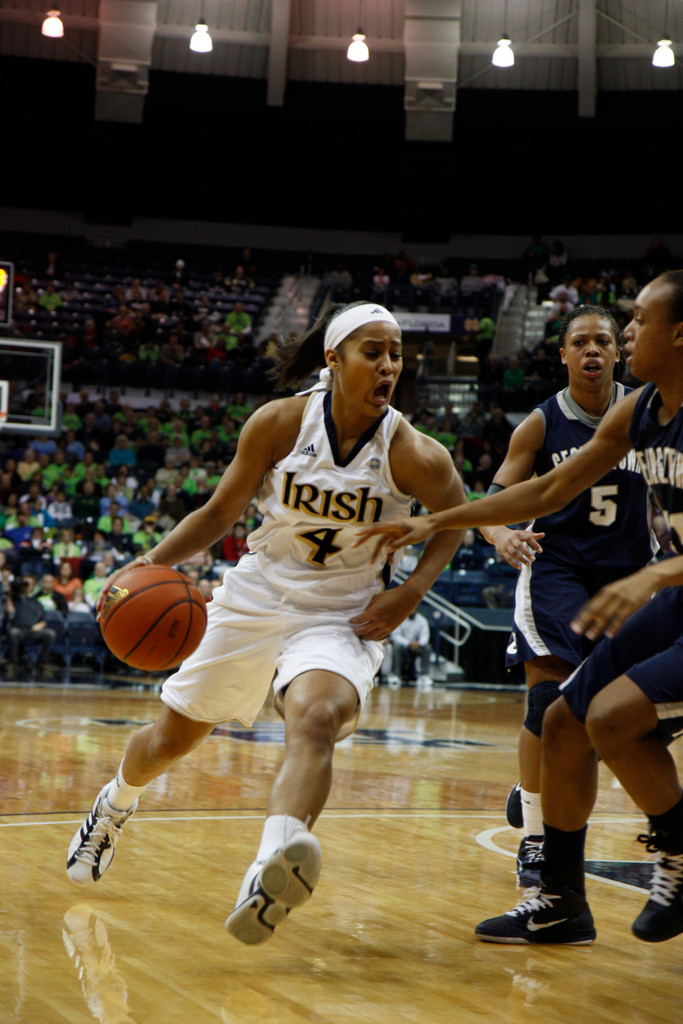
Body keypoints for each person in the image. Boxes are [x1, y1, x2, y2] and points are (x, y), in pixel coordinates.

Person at [65, 301, 467, 948]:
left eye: (395, 353)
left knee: (315, 718)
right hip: (258, 594)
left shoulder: (415, 453)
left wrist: (413, 590)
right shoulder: (280, 423)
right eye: (373, 352)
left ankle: (267, 874)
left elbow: (456, 518)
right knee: (170, 742)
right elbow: (220, 510)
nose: (389, 365)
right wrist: (141, 567)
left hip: (340, 612)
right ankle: (113, 805)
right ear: (333, 360)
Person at [355, 271, 683, 945]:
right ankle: (560, 902)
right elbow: (549, 488)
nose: (623, 334)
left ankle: (678, 848)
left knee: (612, 716)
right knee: (562, 722)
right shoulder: (639, 411)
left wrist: (651, 578)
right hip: (664, 593)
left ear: (677, 333)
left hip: (659, 586)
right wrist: (434, 521)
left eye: (637, 320)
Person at [468, 307, 656, 885]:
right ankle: (535, 836)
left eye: (603, 340)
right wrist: (500, 535)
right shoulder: (542, 423)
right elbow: (497, 498)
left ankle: (536, 790)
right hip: (557, 569)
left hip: (630, 577)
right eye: (581, 342)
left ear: (618, 351)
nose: (593, 350)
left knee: (608, 716)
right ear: (564, 355)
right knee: (545, 703)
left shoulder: (649, 412)